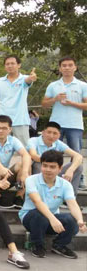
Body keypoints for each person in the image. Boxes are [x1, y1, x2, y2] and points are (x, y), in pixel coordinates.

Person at [19, 150, 86, 259]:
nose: (48, 169)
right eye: (45, 166)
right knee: (39, 215)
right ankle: (37, 245)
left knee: (71, 219)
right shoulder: (31, 180)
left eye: (52, 167)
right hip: (31, 219)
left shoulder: (65, 184)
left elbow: (73, 204)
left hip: (51, 220)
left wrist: (80, 221)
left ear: (60, 168)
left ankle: (59, 245)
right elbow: (37, 202)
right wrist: (52, 219)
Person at [42, 56, 86, 185]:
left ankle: (78, 179)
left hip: (75, 125)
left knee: (75, 154)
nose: (67, 68)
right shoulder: (53, 85)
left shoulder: (82, 85)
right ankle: (51, 178)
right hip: (56, 125)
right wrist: (55, 99)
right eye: (64, 65)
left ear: (75, 67)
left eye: (70, 65)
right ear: (60, 68)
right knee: (53, 153)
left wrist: (72, 103)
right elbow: (44, 104)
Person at [0, 115, 31, 209]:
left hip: (4, 176)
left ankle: (19, 196)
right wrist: (0, 168)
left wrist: (25, 173)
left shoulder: (13, 140)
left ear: (10, 129)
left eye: (4, 128)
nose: (0, 131)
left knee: (25, 163)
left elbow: (26, 155)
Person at [0, 55, 37, 146]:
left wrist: (32, 78)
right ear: (4, 66)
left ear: (19, 65)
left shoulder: (24, 79)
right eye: (7, 64)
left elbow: (28, 81)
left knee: (23, 149)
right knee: (0, 148)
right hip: (2, 122)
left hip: (20, 121)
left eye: (12, 63)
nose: (10, 66)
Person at [27, 121, 83, 195]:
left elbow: (78, 156)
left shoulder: (58, 143)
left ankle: (70, 196)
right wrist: (50, 164)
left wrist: (70, 170)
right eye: (49, 132)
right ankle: (43, 193)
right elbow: (33, 155)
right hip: (38, 172)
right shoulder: (33, 141)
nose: (51, 136)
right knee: (39, 164)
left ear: (59, 135)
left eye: (55, 133)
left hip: (54, 172)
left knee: (78, 167)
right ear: (43, 132)